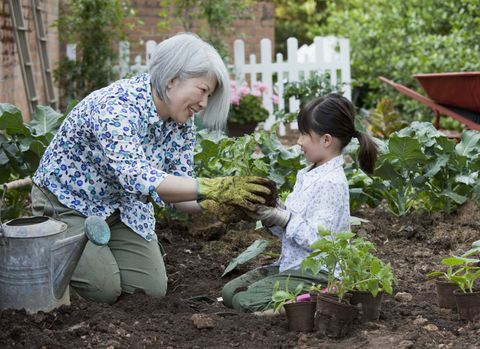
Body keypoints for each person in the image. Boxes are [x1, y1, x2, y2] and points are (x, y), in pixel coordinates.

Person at [31, 33, 271, 304]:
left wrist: (216, 203)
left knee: (149, 289)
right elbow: (137, 177)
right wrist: (213, 186)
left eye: (210, 95)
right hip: (69, 203)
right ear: (172, 80)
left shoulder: (181, 123)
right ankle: (43, 249)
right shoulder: (116, 107)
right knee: (103, 289)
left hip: (122, 207)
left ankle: (99, 255)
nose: (204, 103)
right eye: (202, 90)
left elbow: (181, 191)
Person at [222, 93, 378, 313]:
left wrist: (283, 218)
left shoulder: (331, 182)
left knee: (244, 301)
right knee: (229, 293)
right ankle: (301, 301)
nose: (299, 141)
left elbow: (319, 241)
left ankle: (318, 299)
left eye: (305, 134)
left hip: (319, 273)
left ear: (326, 140)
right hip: (293, 267)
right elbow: (292, 231)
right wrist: (270, 214)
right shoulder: (308, 173)